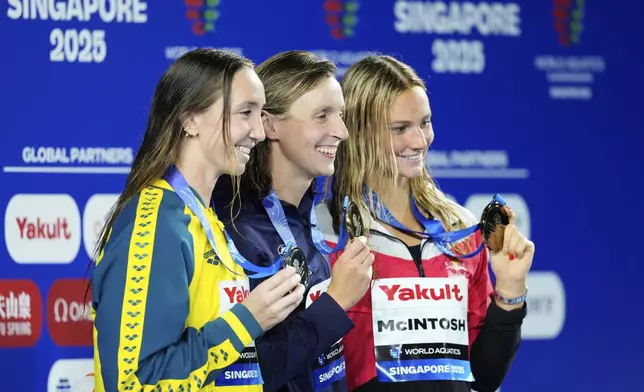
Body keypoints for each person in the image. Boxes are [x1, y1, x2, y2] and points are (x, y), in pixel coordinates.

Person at [90, 49, 306, 392]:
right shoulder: (159, 223)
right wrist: (246, 320)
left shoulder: (205, 216)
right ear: (190, 119)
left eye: (260, 114)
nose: (259, 132)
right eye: (244, 113)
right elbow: (133, 382)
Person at [315, 55, 535, 392]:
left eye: (425, 122)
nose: (420, 141)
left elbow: (483, 377)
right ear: (358, 133)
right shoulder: (327, 232)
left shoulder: (458, 227)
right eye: (400, 128)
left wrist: (510, 292)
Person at [212, 51, 374, 392]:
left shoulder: (308, 215)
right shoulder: (235, 231)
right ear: (269, 125)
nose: (342, 131)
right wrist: (336, 303)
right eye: (322, 116)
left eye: (340, 115)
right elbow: (243, 376)